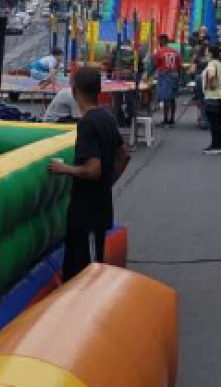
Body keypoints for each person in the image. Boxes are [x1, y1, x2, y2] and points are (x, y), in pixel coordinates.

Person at [49, 67, 131, 281]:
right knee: (82, 268)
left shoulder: (87, 124)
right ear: (99, 90)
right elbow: (124, 155)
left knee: (88, 273)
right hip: (99, 208)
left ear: (74, 90)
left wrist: (63, 169)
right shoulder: (107, 117)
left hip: (87, 213)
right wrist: (109, 181)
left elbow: (92, 170)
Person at [152, 34, 183, 127]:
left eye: (159, 41)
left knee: (166, 98)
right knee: (172, 98)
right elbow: (179, 66)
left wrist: (149, 75)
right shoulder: (175, 52)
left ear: (162, 41)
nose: (159, 43)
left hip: (165, 75)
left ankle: (165, 120)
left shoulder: (159, 52)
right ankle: (172, 119)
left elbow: (154, 65)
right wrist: (179, 78)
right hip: (175, 75)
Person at [201, 46, 221, 155]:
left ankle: (215, 146)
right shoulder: (219, 64)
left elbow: (211, 75)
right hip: (220, 96)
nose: (206, 54)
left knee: (214, 123)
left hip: (213, 96)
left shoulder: (211, 64)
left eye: (207, 52)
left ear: (211, 53)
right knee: (218, 122)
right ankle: (217, 145)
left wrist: (210, 85)